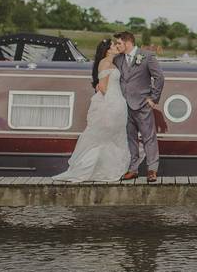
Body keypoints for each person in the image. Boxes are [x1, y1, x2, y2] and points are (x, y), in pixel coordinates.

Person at [52, 39, 130, 182]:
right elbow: (103, 88)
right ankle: (88, 169)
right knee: (102, 137)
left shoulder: (112, 63)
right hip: (110, 104)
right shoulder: (105, 63)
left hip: (117, 104)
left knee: (112, 138)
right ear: (107, 50)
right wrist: (112, 102)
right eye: (114, 45)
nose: (116, 46)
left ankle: (106, 170)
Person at [114, 31, 165, 182]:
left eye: (119, 43)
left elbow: (159, 77)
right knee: (131, 138)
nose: (117, 46)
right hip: (124, 106)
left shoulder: (147, 56)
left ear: (128, 42)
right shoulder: (118, 59)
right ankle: (133, 169)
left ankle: (152, 170)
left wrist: (153, 98)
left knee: (149, 137)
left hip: (143, 104)